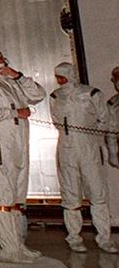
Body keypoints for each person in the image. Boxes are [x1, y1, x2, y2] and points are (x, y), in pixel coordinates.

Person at [0, 48, 45, 262]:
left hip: (19, 146)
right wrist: (14, 113)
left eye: (1, 58)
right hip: (0, 147)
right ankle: (9, 249)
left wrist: (18, 76)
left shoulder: (13, 83)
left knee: (17, 197)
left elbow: (38, 95)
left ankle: (18, 245)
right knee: (3, 196)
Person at [49, 61, 118, 254]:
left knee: (97, 193)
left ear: (71, 74)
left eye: (63, 76)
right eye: (58, 77)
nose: (60, 80)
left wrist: (96, 136)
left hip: (90, 149)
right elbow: (56, 120)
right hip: (66, 149)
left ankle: (104, 238)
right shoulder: (55, 96)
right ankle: (74, 237)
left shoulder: (91, 93)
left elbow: (105, 118)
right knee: (71, 196)